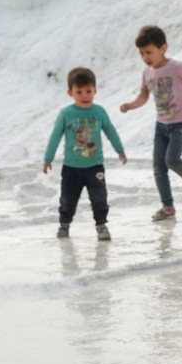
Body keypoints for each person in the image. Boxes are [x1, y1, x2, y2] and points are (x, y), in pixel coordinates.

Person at [118, 25, 182, 222]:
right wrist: (130, 106)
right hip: (161, 125)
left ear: (163, 48)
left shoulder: (176, 67)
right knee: (158, 167)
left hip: (181, 123)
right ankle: (168, 207)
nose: (146, 57)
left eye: (149, 52)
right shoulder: (147, 73)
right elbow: (143, 97)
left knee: (171, 160)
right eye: (141, 53)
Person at [44, 67, 127, 241]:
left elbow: (110, 131)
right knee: (67, 200)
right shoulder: (66, 114)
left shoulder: (99, 112)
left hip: (94, 166)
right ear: (70, 93)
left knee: (99, 198)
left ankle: (102, 226)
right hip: (71, 168)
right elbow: (55, 136)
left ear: (95, 90)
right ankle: (64, 226)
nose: (85, 96)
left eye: (89, 91)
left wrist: (120, 150)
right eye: (79, 91)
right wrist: (48, 159)